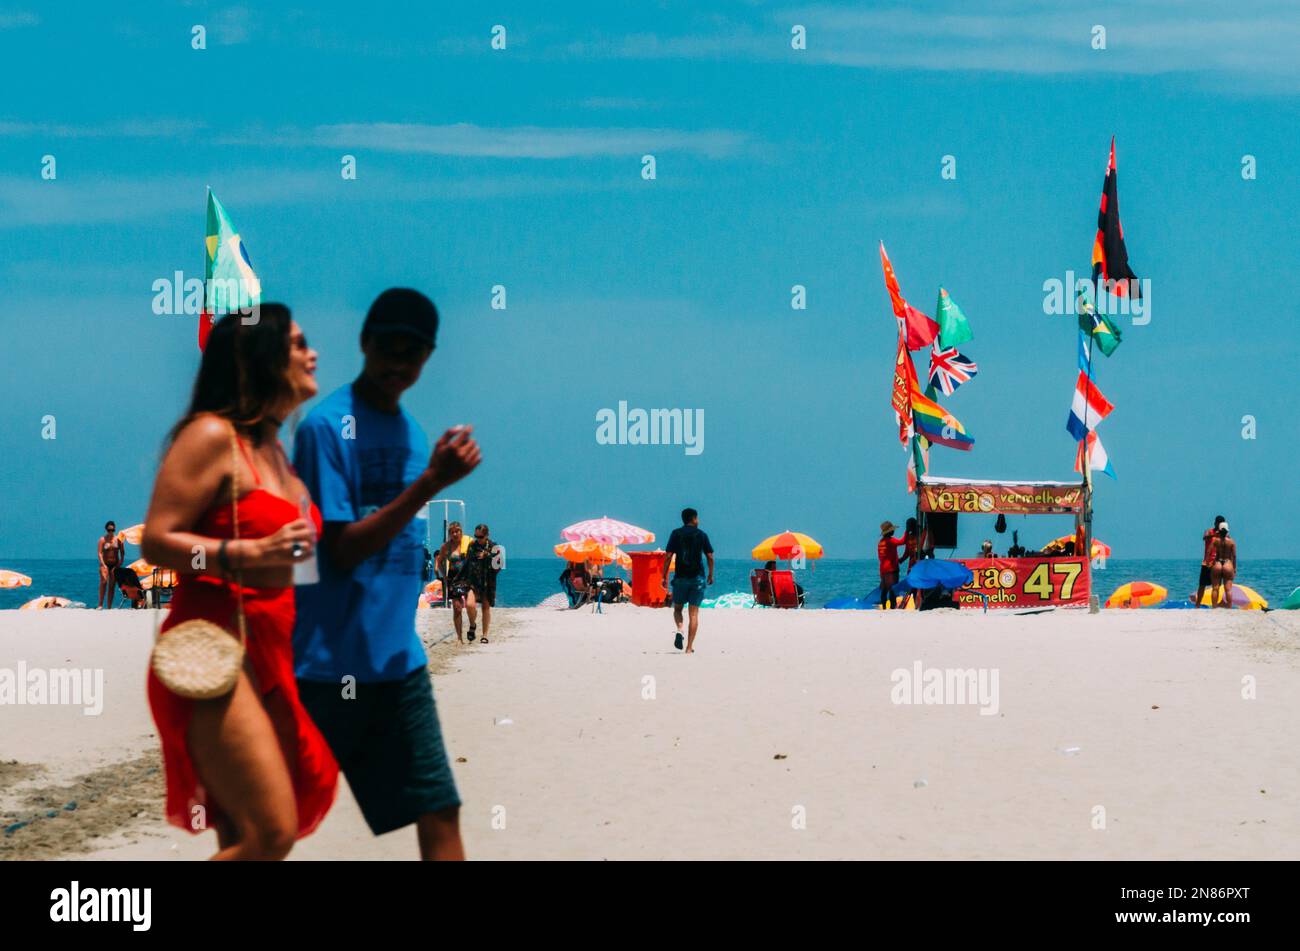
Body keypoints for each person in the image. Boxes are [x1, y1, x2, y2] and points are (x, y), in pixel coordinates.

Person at [141, 306, 339, 860]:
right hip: (215, 653)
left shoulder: (277, 452)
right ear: (261, 360)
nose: (313, 353)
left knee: (245, 831)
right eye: (298, 344)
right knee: (270, 833)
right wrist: (244, 552)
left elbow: (297, 572)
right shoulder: (211, 437)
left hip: (275, 654)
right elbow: (157, 541)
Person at [292, 288, 481, 861]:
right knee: (271, 828)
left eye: (415, 353)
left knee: (439, 807)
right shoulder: (324, 429)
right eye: (389, 348)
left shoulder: (414, 436)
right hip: (324, 669)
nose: (400, 363)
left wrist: (430, 482)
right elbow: (339, 551)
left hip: (399, 663)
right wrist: (430, 484)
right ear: (363, 343)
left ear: (429, 356)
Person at [661, 508, 714, 653]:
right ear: (694, 519)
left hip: (680, 579)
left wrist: (663, 576)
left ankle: (679, 629)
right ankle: (689, 648)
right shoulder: (701, 535)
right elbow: (710, 556)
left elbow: (668, 556)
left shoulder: (676, 534)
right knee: (694, 614)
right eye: (698, 518)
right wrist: (710, 574)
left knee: (678, 609)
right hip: (697, 579)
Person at [436, 522, 473, 642]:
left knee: (469, 605)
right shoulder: (446, 547)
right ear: (449, 534)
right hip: (454, 579)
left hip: (468, 578)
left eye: (457, 531)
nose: (455, 534)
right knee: (457, 608)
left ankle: (472, 625)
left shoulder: (469, 543)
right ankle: (459, 638)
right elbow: (439, 561)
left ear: (461, 532)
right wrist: (444, 576)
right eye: (452, 532)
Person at [464, 523, 500, 642]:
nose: (478, 539)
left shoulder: (494, 547)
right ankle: (473, 624)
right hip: (473, 580)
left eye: (480, 537)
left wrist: (487, 556)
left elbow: (499, 565)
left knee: (485, 607)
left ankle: (484, 635)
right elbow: (467, 563)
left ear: (487, 535)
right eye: (476, 536)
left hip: (488, 580)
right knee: (470, 605)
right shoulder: (472, 545)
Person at [1195, 515, 1226, 607]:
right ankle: (1197, 604)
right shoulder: (1209, 531)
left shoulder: (1224, 534)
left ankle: (1214, 606)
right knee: (1202, 585)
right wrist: (1215, 534)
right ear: (1215, 523)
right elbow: (1205, 537)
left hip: (1217, 562)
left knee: (1216, 586)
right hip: (1206, 562)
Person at [877, 521, 906, 608]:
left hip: (883, 569)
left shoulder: (880, 542)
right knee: (893, 589)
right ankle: (892, 607)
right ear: (889, 532)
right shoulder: (891, 541)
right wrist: (907, 532)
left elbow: (880, 557)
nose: (893, 531)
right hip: (891, 569)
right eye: (892, 530)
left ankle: (884, 606)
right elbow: (902, 541)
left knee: (885, 589)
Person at [97, 521, 124, 610]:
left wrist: (119, 563)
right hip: (105, 563)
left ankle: (109, 606)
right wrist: (103, 564)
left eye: (112, 530)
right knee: (104, 581)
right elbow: (100, 553)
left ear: (114, 529)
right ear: (106, 530)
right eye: (109, 530)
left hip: (114, 565)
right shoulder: (103, 540)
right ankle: (100, 604)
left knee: (112, 585)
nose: (111, 531)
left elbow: (122, 553)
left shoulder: (118, 540)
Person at [1209, 521, 1237, 608]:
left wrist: (1210, 562)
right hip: (1228, 563)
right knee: (1228, 589)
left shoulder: (1215, 541)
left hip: (1217, 563)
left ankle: (1214, 607)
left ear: (1219, 531)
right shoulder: (1232, 542)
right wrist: (1234, 567)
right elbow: (1234, 556)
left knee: (1215, 588)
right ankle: (1229, 607)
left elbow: (1209, 551)